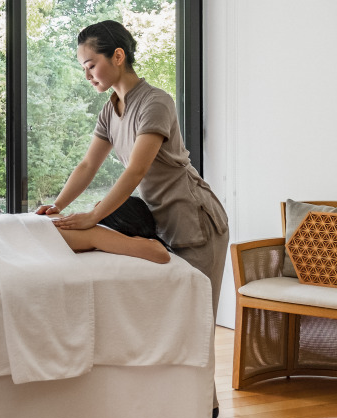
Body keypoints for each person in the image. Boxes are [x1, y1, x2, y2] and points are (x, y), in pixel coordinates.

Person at [36, 20, 229, 316]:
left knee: (195, 321)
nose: (86, 75)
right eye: (83, 68)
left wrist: (93, 217)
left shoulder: (155, 102)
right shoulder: (110, 110)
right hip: (156, 220)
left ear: (117, 56)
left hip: (193, 218)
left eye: (90, 65)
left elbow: (136, 170)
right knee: (166, 321)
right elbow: (88, 165)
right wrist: (57, 205)